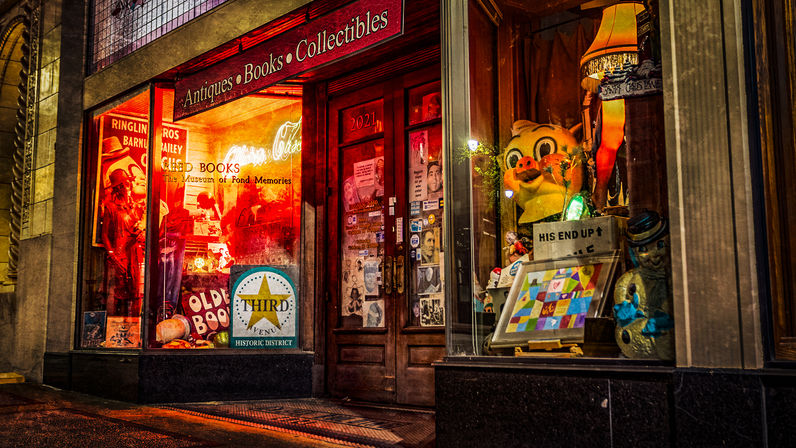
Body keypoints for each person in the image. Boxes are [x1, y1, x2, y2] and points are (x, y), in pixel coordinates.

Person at [102, 169, 144, 316]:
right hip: (119, 255)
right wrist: (113, 256)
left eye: (128, 183)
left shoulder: (135, 208)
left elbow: (140, 231)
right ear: (118, 187)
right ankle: (115, 323)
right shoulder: (111, 207)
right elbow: (105, 235)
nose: (128, 186)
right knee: (116, 293)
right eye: (125, 183)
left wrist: (141, 234)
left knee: (135, 292)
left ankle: (133, 324)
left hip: (134, 254)